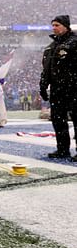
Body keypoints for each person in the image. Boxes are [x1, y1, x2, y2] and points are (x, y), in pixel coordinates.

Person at [40, 15, 77, 160]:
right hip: (57, 89)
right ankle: (62, 149)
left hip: (73, 87)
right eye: (53, 25)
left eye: (57, 25)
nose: (54, 28)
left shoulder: (74, 43)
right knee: (58, 120)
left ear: (66, 26)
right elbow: (46, 69)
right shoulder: (51, 46)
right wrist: (43, 85)